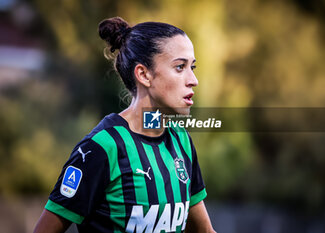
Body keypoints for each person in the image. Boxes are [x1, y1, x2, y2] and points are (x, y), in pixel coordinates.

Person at [34, 16, 215, 233]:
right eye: (180, 67)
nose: (193, 79)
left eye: (192, 67)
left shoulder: (181, 140)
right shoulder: (102, 147)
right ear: (143, 74)